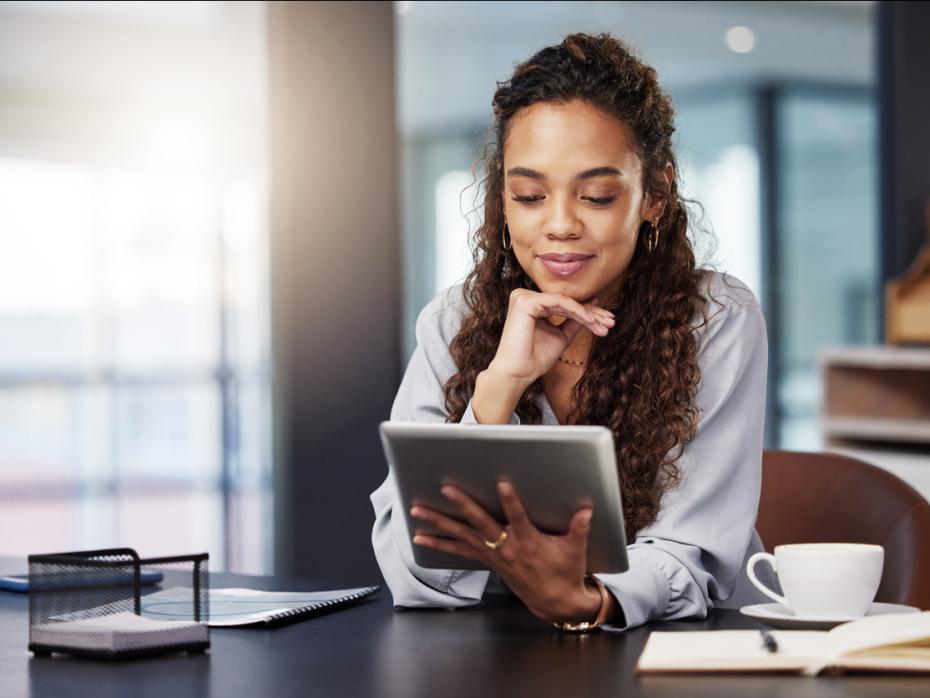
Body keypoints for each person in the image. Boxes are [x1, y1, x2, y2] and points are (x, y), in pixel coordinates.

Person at [370, 32, 771, 631]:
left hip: (683, 652)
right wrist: (498, 390)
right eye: (529, 195)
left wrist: (587, 602)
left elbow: (693, 554)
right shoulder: (452, 321)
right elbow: (415, 574)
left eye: (597, 195)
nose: (559, 225)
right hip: (505, 659)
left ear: (653, 195)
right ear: (502, 201)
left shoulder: (715, 318)